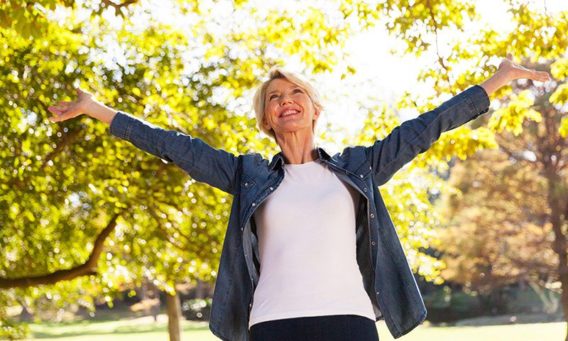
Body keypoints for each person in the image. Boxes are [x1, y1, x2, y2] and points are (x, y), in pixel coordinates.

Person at [48, 57, 550, 341]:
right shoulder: (246, 175)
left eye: (295, 94)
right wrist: (98, 110)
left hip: (348, 320)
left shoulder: (359, 168)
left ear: (313, 109)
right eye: (274, 97)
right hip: (272, 323)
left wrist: (497, 81)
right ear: (267, 119)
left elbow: (424, 130)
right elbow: (177, 147)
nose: (285, 100)